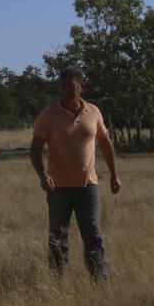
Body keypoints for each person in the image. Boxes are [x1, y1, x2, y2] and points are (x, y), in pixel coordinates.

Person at [29, 67, 121, 281]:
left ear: (82, 86)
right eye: (62, 86)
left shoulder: (94, 112)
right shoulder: (49, 115)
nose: (66, 90)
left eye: (70, 85)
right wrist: (42, 175)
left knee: (93, 236)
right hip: (57, 187)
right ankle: (56, 281)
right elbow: (34, 149)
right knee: (57, 238)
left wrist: (115, 175)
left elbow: (106, 144)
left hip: (88, 186)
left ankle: (100, 283)